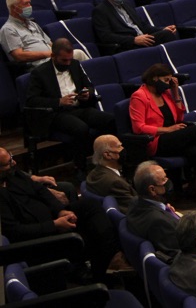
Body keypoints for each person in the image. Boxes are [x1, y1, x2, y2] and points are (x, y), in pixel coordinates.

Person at [0, 147, 121, 283]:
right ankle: (100, 273)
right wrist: (54, 225)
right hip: (40, 236)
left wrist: (60, 210)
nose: (14, 163)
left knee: (90, 205)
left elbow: (40, 190)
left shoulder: (14, 174)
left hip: (53, 216)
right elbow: (15, 231)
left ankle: (112, 256)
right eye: (8, 163)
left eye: (11, 158)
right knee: (91, 234)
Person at [129, 63, 196, 211]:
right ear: (154, 78)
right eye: (166, 80)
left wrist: (175, 92)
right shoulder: (139, 96)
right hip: (156, 141)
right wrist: (167, 130)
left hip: (174, 138)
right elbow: (138, 127)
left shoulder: (165, 93)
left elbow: (179, 118)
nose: (168, 83)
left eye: (170, 80)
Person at [25, 38, 114, 174]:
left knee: (109, 120)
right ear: (53, 56)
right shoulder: (40, 73)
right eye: (64, 60)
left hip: (79, 108)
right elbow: (32, 100)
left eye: (69, 59)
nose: (67, 63)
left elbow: (89, 86)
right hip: (56, 113)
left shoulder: (75, 64)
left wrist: (87, 94)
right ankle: (81, 168)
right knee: (80, 128)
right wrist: (59, 102)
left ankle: (108, 162)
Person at [1, 0, 88, 67]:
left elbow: (50, 44)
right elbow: (19, 56)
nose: (29, 6)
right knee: (78, 54)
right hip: (39, 65)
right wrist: (48, 54)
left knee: (76, 54)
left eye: (29, 3)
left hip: (51, 58)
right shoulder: (8, 29)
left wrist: (59, 52)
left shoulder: (33, 24)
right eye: (25, 4)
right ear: (14, 8)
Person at [92, 0, 177, 51]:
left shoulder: (126, 3)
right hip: (128, 45)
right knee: (167, 35)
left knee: (168, 32)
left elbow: (142, 25)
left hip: (143, 38)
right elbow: (106, 37)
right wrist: (133, 40)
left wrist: (162, 29)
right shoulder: (100, 11)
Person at [85, 135, 136, 213]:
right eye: (119, 146)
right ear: (108, 155)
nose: (123, 148)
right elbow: (136, 209)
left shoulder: (93, 174)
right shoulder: (115, 183)